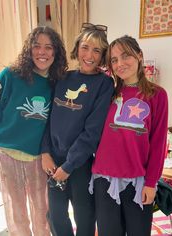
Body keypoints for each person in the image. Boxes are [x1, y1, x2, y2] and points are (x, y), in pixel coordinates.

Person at [0, 26, 68, 236]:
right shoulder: (9, 76)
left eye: (49, 47)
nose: (42, 52)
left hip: (38, 158)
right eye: (37, 46)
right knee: (16, 212)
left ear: (56, 53)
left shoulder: (57, 83)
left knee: (42, 211)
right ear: (29, 49)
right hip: (8, 154)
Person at [90, 35, 168, 236]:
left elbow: (159, 144)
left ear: (139, 56)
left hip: (137, 181)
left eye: (125, 56)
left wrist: (151, 183)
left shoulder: (157, 95)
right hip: (104, 178)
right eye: (114, 60)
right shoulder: (107, 93)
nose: (120, 63)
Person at [41, 23, 114, 236]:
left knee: (84, 217)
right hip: (52, 162)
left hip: (80, 164)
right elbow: (47, 119)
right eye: (85, 47)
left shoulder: (104, 84)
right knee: (55, 216)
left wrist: (69, 166)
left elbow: (92, 132)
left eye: (97, 50)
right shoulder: (62, 78)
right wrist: (45, 152)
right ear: (77, 48)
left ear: (103, 56)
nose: (89, 55)